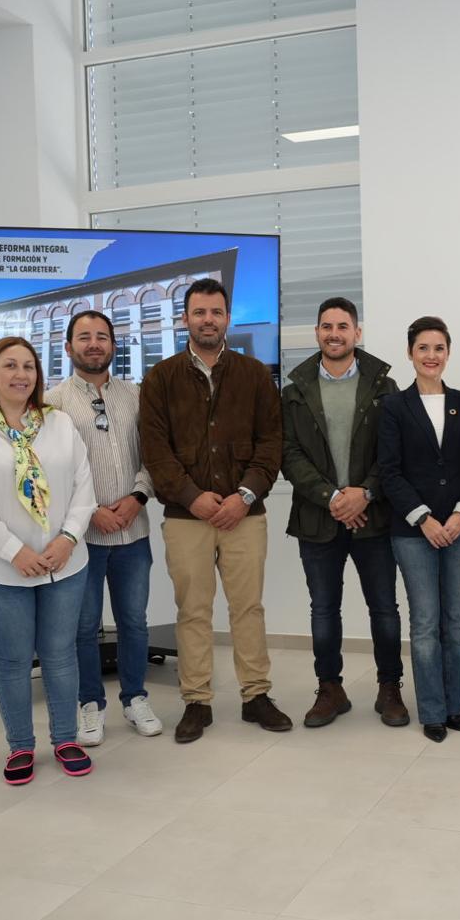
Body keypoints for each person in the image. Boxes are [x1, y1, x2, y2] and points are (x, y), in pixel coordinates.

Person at [140, 278, 287, 743]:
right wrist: (192, 496)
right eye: (199, 312)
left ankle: (256, 695)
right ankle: (196, 701)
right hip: (187, 518)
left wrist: (245, 495)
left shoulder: (255, 374)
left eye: (216, 312)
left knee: (248, 608)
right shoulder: (160, 378)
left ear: (227, 318)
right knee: (193, 610)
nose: (208, 320)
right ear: (185, 318)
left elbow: (271, 443)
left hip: (245, 515)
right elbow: (155, 451)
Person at [0, 336, 97, 784]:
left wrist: (68, 539)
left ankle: (65, 739)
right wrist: (15, 551)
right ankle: (21, 747)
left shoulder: (59, 424)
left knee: (61, 655)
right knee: (12, 660)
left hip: (64, 564)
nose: (20, 374)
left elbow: (83, 485)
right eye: (9, 365)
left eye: (28, 366)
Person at [281, 297, 410, 728]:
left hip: (374, 517)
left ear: (357, 332)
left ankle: (389, 688)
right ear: (317, 333)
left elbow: (393, 451)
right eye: (326, 326)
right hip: (318, 518)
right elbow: (289, 453)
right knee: (323, 610)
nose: (334, 334)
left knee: (384, 609)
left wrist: (365, 494)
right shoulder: (294, 391)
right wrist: (333, 498)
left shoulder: (385, 387)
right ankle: (330, 689)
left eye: (342, 326)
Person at [47, 310, 163, 746]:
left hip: (133, 532)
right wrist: (91, 510)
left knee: (134, 621)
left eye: (102, 336)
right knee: (84, 627)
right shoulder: (53, 403)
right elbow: (50, 472)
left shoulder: (137, 396)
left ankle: (135, 698)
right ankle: (90, 705)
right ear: (68, 347)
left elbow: (155, 455)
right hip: (83, 539)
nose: (94, 344)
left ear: (114, 345)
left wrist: (138, 497)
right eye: (84, 337)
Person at [379, 316, 460, 742]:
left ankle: (455, 707)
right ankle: (432, 712)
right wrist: (424, 518)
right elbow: (389, 472)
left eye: (438, 348)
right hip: (412, 532)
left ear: (448, 353)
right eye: (423, 348)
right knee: (425, 622)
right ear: (410, 353)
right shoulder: (393, 407)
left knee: (452, 621)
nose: (431, 355)